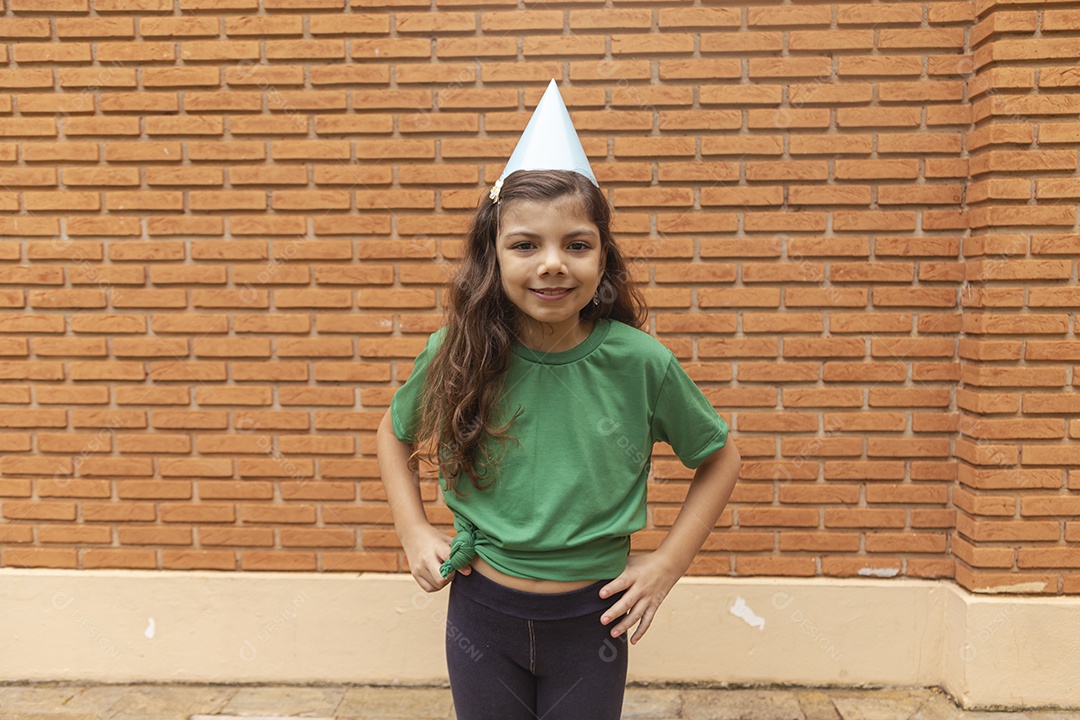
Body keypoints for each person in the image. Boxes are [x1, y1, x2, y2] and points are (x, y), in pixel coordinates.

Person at [376, 80, 741, 720]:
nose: (552, 264)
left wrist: (668, 563)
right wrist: (412, 529)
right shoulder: (456, 351)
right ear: (492, 254)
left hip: (591, 619)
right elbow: (394, 433)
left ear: (603, 258)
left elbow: (719, 457)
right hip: (481, 612)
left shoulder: (640, 362)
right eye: (525, 244)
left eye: (576, 244)